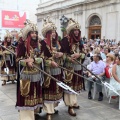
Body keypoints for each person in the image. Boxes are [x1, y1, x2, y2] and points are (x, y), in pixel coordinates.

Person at [15, 20, 43, 120]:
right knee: (26, 94)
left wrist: (34, 59)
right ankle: (26, 117)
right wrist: (26, 62)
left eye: (35, 32)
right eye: (32, 32)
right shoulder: (22, 45)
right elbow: (18, 59)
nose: (34, 34)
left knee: (35, 94)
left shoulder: (39, 45)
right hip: (26, 74)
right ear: (28, 34)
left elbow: (42, 58)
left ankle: (34, 113)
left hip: (36, 74)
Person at [60, 18, 85, 116]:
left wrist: (80, 55)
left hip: (78, 66)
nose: (76, 32)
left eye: (77, 30)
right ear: (71, 31)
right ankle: (70, 106)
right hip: (69, 67)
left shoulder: (80, 40)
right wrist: (69, 58)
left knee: (75, 85)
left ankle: (74, 102)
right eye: (74, 30)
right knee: (70, 86)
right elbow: (62, 54)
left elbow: (84, 52)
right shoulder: (65, 40)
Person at [41, 17, 64, 120]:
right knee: (49, 90)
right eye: (51, 31)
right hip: (48, 71)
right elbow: (41, 59)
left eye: (54, 31)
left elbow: (63, 54)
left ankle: (53, 108)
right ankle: (48, 112)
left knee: (56, 90)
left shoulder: (57, 43)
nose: (54, 33)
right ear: (47, 33)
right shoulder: (42, 43)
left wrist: (61, 54)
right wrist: (50, 62)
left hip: (58, 70)